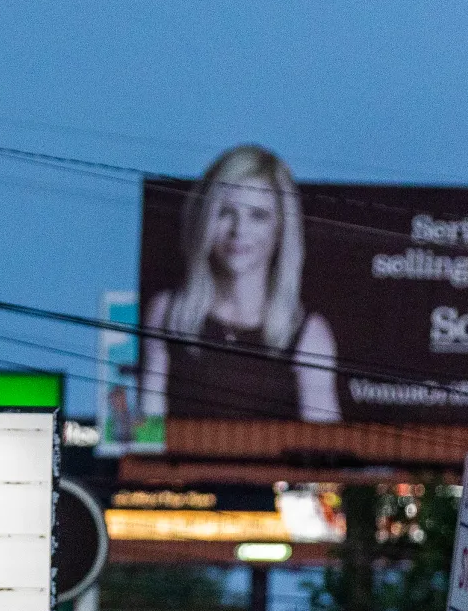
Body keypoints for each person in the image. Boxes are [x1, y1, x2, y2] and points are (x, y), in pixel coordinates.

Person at [141, 145, 340, 423]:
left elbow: (325, 454)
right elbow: (145, 437)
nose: (239, 230)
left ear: (281, 228)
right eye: (225, 212)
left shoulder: (310, 335)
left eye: (257, 215)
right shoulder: (167, 313)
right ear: (205, 218)